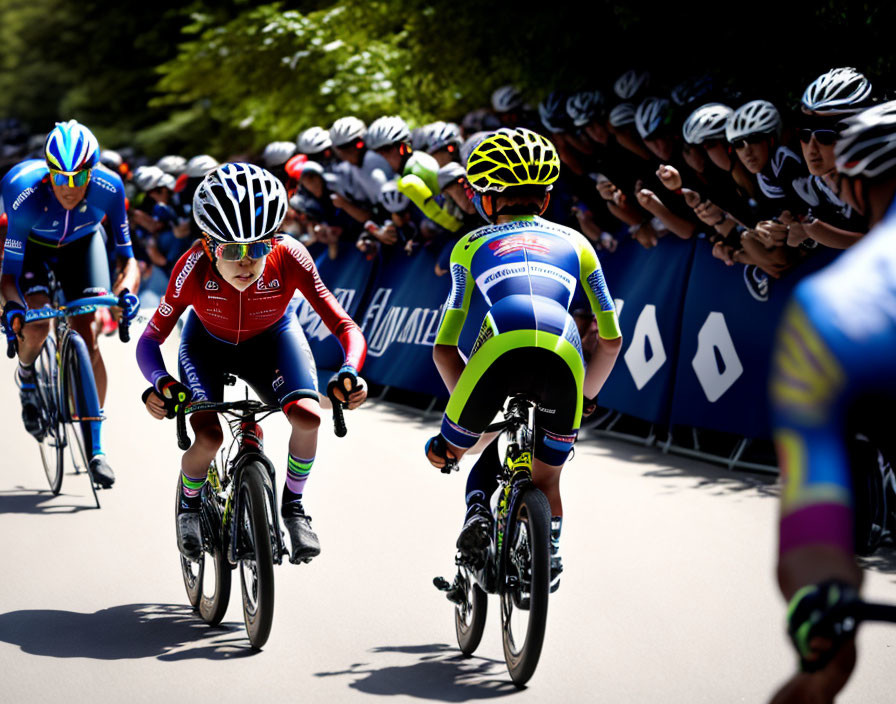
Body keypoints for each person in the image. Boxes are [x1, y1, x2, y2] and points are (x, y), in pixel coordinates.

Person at [135, 163, 368, 563]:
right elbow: (149, 340)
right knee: (208, 438)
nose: (246, 262)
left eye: (258, 248)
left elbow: (345, 326)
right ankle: (189, 505)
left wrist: (349, 370)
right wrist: (160, 383)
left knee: (309, 417)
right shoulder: (191, 267)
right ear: (209, 246)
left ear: (273, 242)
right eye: (232, 251)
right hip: (206, 344)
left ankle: (293, 508)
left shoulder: (291, 255)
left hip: (272, 341)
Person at [425, 127, 623, 591]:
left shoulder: (469, 245)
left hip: (498, 348)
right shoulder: (578, 243)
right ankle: (548, 552)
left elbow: (443, 347)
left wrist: (464, 426)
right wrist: (587, 397)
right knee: (547, 476)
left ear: (487, 200)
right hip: (565, 349)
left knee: (451, 455)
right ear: (547, 197)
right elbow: (611, 341)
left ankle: (477, 516)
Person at [768, 100, 896, 704]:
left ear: (852, 183)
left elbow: (812, 520)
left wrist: (822, 600)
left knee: (823, 673)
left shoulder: (831, 304)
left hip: (851, 336)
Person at [0, 119, 139, 487]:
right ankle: (28, 376)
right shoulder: (22, 193)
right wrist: (13, 308)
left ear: (93, 172)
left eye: (80, 178)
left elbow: (128, 259)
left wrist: (126, 292)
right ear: (48, 172)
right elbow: (8, 275)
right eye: (61, 177)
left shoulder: (110, 187)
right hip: (31, 249)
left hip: (82, 245)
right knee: (37, 323)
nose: (70, 187)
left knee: (88, 334)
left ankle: (97, 450)